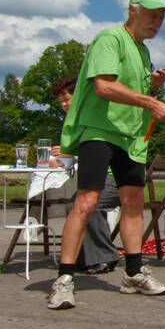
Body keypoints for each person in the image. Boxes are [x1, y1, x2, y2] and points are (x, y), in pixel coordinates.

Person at [48, 0, 165, 310]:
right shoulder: (110, 38)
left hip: (131, 138)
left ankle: (133, 273)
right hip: (100, 132)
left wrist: (152, 85)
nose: (156, 22)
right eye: (151, 14)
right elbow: (103, 86)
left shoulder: (143, 51)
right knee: (87, 200)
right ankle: (64, 279)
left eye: (161, 17)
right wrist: (151, 101)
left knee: (133, 203)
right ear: (132, 10)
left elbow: (134, 88)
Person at [49, 76, 119, 275]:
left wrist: (72, 151)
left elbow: (101, 147)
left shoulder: (91, 117)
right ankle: (86, 257)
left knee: (82, 206)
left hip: (115, 175)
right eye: (61, 102)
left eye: (67, 99)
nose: (63, 104)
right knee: (77, 205)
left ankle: (105, 255)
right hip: (97, 176)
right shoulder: (74, 121)